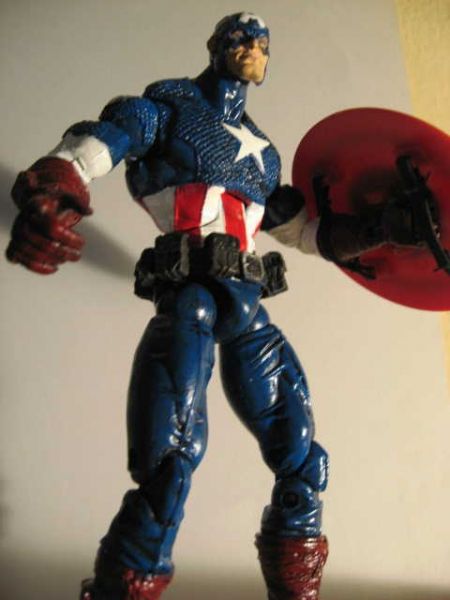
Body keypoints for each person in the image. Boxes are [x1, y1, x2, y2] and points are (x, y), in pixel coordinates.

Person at [7, 12, 405, 600]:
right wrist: (53, 187)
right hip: (189, 295)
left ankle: (296, 589)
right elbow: (100, 144)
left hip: (247, 307)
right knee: (170, 460)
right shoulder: (168, 109)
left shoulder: (264, 155)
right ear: (216, 45)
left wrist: (387, 228)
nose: (252, 49)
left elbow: (309, 233)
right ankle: (128, 582)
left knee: (303, 460)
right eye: (241, 39)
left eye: (263, 44)